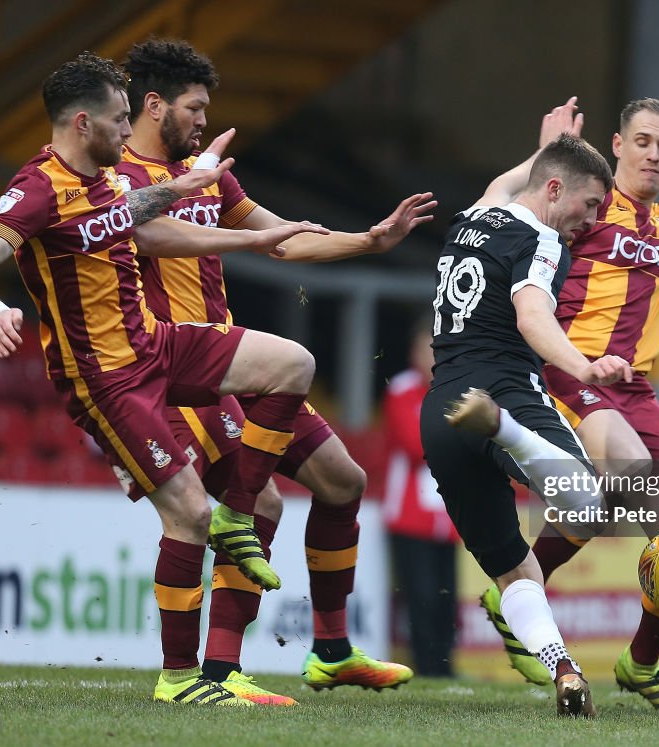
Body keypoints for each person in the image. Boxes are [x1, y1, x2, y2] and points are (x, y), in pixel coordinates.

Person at [0, 51, 334, 707]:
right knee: (185, 511)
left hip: (156, 343)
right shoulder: (37, 187)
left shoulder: (102, 177)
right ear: (80, 122)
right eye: (120, 120)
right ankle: (180, 678)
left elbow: (127, 212)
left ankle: (239, 509)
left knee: (294, 363)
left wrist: (179, 193)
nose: (130, 134)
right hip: (107, 380)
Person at [116, 38, 435, 699]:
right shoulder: (119, 179)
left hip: (236, 365)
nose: (205, 121)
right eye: (195, 107)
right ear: (155, 105)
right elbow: (143, 238)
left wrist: (369, 240)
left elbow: (280, 235)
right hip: (176, 375)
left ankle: (331, 650)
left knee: (344, 480)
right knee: (258, 501)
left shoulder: (207, 174)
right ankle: (218, 671)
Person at [481, 97, 659, 714]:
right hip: (568, 371)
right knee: (625, 466)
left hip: (635, 389)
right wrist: (542, 157)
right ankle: (518, 585)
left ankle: (638, 663)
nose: (654, 154)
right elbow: (497, 212)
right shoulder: (585, 207)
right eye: (642, 141)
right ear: (617, 145)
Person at [421, 96, 633, 717]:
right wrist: (584, 365)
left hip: (441, 412)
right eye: (590, 204)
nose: (591, 220)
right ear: (558, 189)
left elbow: (505, 182)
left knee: (514, 572)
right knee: (588, 502)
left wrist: (544, 148)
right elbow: (533, 315)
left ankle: (563, 670)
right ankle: (508, 431)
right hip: (502, 393)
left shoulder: (476, 216)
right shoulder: (541, 239)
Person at [383, 315, 459, 678]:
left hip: (451, 516)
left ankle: (445, 665)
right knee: (420, 594)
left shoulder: (459, 389)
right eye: (424, 348)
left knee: (447, 596)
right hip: (410, 516)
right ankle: (425, 665)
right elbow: (414, 445)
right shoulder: (401, 389)